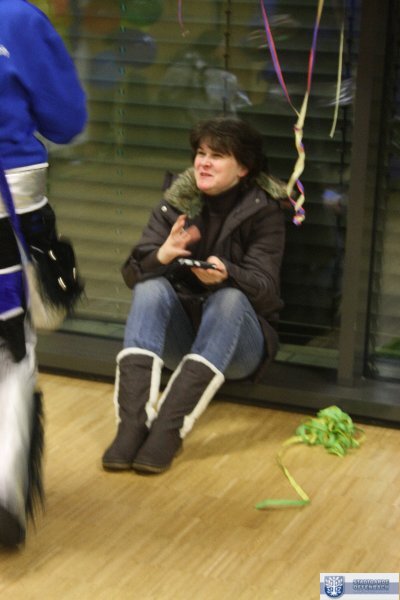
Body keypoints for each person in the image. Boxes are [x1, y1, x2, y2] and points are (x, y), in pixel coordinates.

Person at [102, 116, 287, 475]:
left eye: (217, 156)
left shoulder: (264, 210)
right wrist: (162, 255)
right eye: (201, 153)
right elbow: (131, 274)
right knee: (149, 286)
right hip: (183, 340)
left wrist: (228, 274)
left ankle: (168, 430)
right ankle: (131, 426)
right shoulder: (176, 202)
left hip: (239, 350)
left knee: (229, 299)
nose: (204, 163)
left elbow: (266, 291)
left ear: (243, 168)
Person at [0, 0, 87, 547]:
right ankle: (3, 491)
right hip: (7, 213)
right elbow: (66, 120)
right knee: (10, 351)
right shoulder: (17, 18)